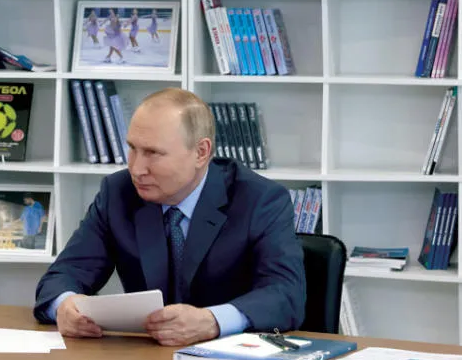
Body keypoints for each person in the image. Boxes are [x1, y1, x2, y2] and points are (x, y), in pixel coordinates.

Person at [33, 88, 306, 346]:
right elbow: (63, 275)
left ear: (201, 152)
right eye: (132, 148)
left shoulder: (259, 199)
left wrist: (212, 321)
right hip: (145, 359)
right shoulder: (118, 193)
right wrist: (65, 305)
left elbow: (286, 294)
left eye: (153, 153)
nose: (136, 168)